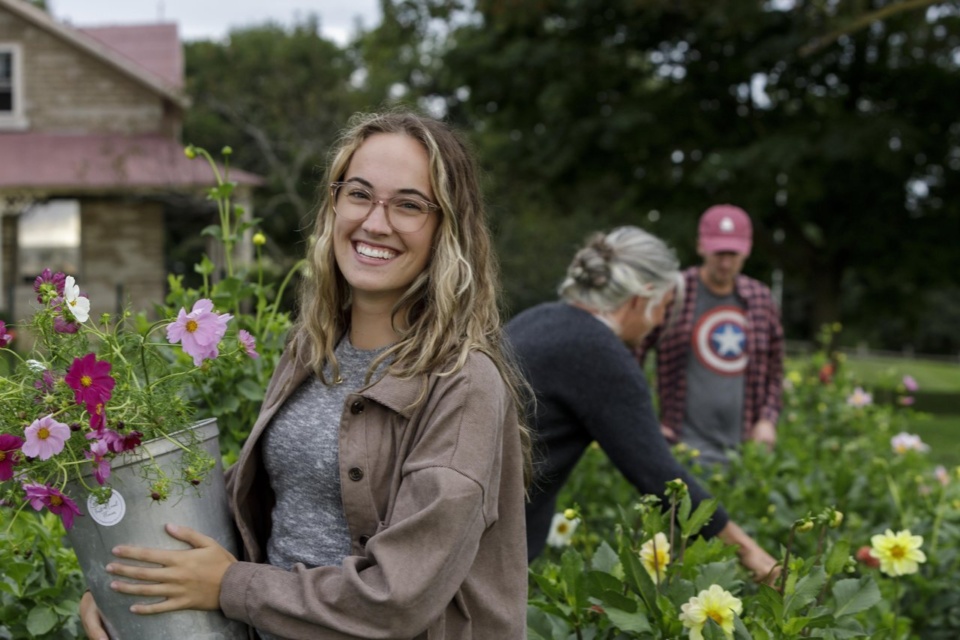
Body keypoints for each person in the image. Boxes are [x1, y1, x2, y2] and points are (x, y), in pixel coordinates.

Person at [80, 111, 532, 640]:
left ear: (447, 229)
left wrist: (232, 587)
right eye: (359, 194)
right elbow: (261, 511)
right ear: (334, 204)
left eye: (409, 205)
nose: (376, 222)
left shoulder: (462, 382)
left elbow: (399, 598)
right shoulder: (311, 351)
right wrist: (124, 592)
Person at [506, 226, 777, 580]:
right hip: (489, 545)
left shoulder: (539, 318)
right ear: (642, 299)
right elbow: (661, 478)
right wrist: (754, 557)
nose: (662, 321)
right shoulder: (599, 352)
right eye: (664, 307)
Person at [636, 204, 784, 466]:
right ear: (701, 246)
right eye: (718, 253)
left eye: (732, 253)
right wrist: (645, 421)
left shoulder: (761, 299)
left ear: (746, 250)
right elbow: (632, 351)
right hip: (680, 448)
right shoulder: (674, 293)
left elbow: (775, 368)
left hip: (745, 452)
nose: (725, 263)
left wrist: (767, 420)